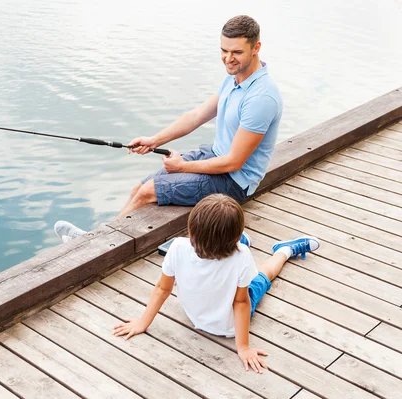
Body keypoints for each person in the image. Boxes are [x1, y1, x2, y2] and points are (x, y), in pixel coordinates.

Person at [54, 15, 282, 242]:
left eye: (237, 52)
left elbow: (234, 162)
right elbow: (196, 116)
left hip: (234, 183)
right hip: (214, 157)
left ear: (256, 47)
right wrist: (154, 140)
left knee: (147, 192)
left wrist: (183, 167)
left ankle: (92, 246)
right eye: (224, 50)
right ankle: (96, 238)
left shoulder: (261, 97)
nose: (228, 58)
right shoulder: (234, 78)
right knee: (139, 187)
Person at [113, 194, 320, 373]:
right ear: (237, 235)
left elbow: (162, 288)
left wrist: (143, 323)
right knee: (264, 275)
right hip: (228, 326)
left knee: (247, 271)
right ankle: (285, 251)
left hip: (195, 315)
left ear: (191, 232)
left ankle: (245, 245)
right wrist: (243, 347)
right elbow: (241, 303)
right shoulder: (241, 256)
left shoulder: (177, 247)